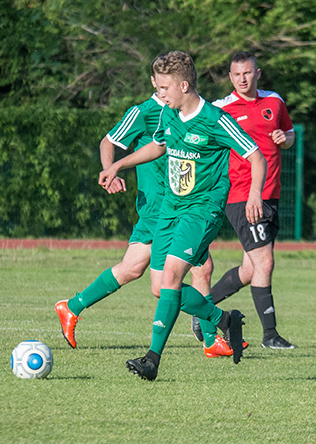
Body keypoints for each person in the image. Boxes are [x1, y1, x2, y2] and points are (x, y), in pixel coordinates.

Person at [99, 51, 268, 381]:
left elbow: (256, 156)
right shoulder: (169, 115)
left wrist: (254, 194)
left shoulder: (216, 120)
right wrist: (119, 164)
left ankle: (152, 360)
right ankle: (224, 320)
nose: (159, 93)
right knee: (161, 288)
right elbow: (158, 146)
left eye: (164, 87)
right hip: (170, 210)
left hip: (202, 210)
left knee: (173, 277)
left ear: (184, 85)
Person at [54, 54, 168, 350]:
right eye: (161, 82)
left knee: (131, 268)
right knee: (199, 266)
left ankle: (73, 306)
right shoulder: (143, 112)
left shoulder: (185, 111)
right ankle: (213, 334)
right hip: (157, 208)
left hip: (173, 206)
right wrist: (110, 171)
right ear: (154, 82)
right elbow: (109, 141)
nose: (166, 88)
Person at [189, 51, 297, 351]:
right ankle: (270, 335)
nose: (243, 79)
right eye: (237, 75)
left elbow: (290, 135)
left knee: (250, 270)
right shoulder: (221, 108)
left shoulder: (274, 101)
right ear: (230, 77)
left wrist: (283, 139)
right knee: (265, 261)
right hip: (243, 196)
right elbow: (201, 142)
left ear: (257, 73)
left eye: (248, 73)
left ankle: (203, 310)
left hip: (270, 194)